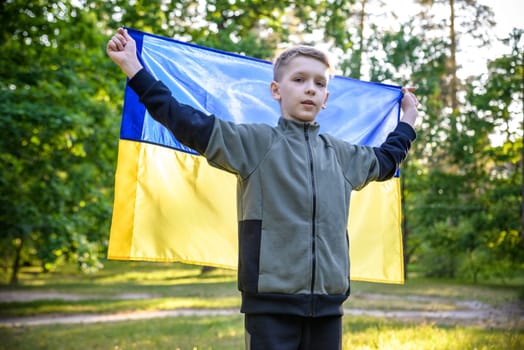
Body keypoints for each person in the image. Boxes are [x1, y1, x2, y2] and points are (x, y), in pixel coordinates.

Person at [106, 28, 419, 350]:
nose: (310, 89)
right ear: (276, 89)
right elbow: (185, 122)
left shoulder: (342, 156)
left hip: (328, 307)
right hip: (269, 308)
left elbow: (387, 159)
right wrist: (135, 69)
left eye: (319, 83)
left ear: (326, 99)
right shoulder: (254, 143)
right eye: (299, 80)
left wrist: (409, 117)